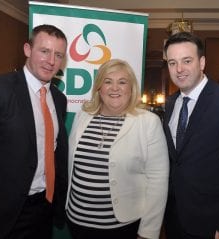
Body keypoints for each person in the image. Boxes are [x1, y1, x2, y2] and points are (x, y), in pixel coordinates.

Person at [0, 24, 68, 239]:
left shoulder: (58, 98)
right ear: (27, 50)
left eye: (58, 55)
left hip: (43, 207)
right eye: (44, 51)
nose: (51, 61)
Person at [162, 31, 219, 239]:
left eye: (187, 61)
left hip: (213, 223)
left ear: (202, 62)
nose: (179, 69)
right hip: (174, 219)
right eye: (172, 63)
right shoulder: (169, 104)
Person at [65, 59, 169, 239]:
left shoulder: (147, 122)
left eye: (122, 82)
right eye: (108, 81)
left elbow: (158, 180)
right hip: (77, 221)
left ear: (131, 89)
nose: (115, 88)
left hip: (121, 227)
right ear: (99, 88)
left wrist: (148, 232)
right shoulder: (83, 115)